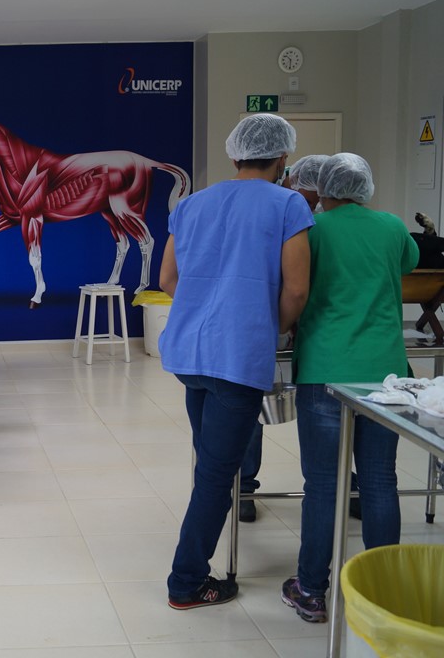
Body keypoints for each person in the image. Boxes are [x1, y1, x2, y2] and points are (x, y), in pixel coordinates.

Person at [158, 113, 312, 609]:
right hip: (237, 356)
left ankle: (191, 567)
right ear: (283, 158)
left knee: (210, 463)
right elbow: (297, 289)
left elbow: (168, 280)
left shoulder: (191, 204)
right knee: (216, 476)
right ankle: (186, 582)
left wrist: (205, 309)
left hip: (190, 354)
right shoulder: (288, 204)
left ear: (235, 155)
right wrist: (268, 326)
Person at [282, 153, 418, 623]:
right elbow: (407, 263)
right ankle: (382, 594)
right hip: (384, 375)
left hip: (324, 368)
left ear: (322, 187)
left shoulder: (311, 229)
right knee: (380, 481)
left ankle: (311, 590)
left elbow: (294, 285)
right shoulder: (392, 227)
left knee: (323, 485)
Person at [239, 153, 330, 523]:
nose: (314, 204)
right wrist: (279, 323)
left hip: (311, 329)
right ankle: (244, 486)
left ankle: (340, 484)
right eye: (309, 197)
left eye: (320, 199)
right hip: (269, 322)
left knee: (327, 416)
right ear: (290, 177)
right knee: (249, 409)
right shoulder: (274, 208)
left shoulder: (323, 220)